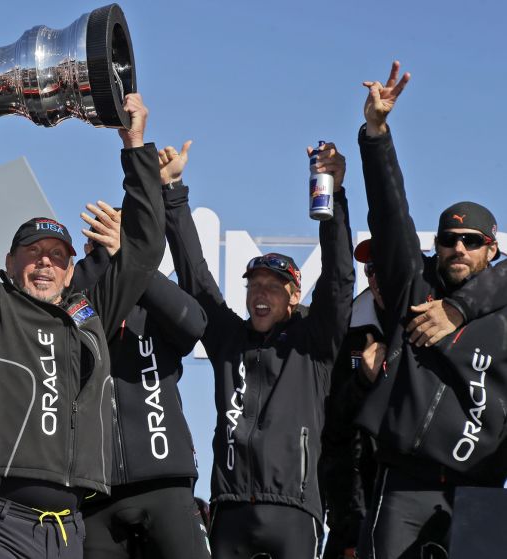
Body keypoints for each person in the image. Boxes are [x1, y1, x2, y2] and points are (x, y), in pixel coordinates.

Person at [0, 66, 166, 559]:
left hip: (65, 530)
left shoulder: (89, 314)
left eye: (57, 255)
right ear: (10, 264)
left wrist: (135, 145)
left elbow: (142, 251)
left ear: (70, 268)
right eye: (32, 253)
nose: (44, 263)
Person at [161, 140, 354, 558]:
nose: (261, 294)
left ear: (294, 292)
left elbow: (339, 280)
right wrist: (173, 192)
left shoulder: (314, 343)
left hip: (293, 510)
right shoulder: (229, 339)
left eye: (273, 286)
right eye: (254, 286)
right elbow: (196, 280)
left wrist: (335, 198)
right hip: (230, 509)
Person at [356, 61, 507, 558]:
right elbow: (390, 212)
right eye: (449, 239)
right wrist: (377, 134)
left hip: (481, 488)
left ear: (492, 251)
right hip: (404, 484)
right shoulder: (413, 287)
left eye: (472, 241)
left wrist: (460, 310)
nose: (459, 248)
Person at [69, 201, 211, 559]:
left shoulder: (156, 304)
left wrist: (134, 258)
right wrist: (99, 259)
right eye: (99, 240)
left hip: (166, 482)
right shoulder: (76, 302)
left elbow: (194, 323)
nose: (111, 247)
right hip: (95, 494)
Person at [319, 239, 385, 558]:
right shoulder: (349, 331)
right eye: (371, 269)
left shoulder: (442, 319)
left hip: (430, 499)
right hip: (359, 510)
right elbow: (334, 429)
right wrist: (362, 380)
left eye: (388, 266)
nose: (378, 276)